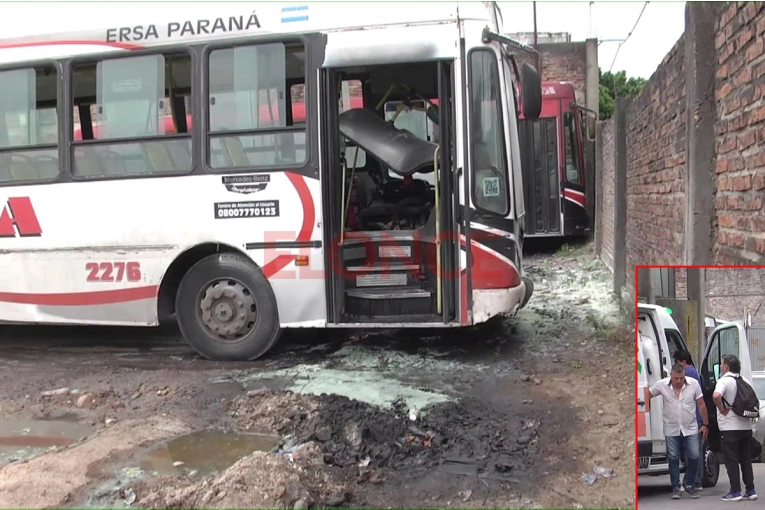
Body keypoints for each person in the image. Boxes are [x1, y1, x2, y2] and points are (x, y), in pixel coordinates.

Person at [645, 363, 709, 499]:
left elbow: (701, 404)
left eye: (681, 378)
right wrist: (646, 408)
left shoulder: (693, 384)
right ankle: (676, 487)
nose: (679, 381)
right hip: (671, 427)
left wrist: (705, 424)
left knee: (694, 455)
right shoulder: (662, 385)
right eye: (676, 378)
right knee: (673, 458)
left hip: (690, 427)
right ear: (671, 376)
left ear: (684, 375)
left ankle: (689, 483)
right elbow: (647, 395)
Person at [713, 354, 758, 501]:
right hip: (745, 426)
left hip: (729, 427)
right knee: (745, 459)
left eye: (721, 364)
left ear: (726, 366)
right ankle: (750, 490)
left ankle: (735, 491)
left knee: (731, 459)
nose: (720, 366)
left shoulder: (724, 380)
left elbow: (716, 396)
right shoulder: (744, 380)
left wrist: (721, 408)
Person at [673, 349, 705, 492]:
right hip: (696, 417)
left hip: (693, 417)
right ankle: (696, 481)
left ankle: (695, 481)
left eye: (677, 362)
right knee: (695, 451)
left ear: (683, 362)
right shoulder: (694, 371)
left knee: (693, 452)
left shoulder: (688, 373)